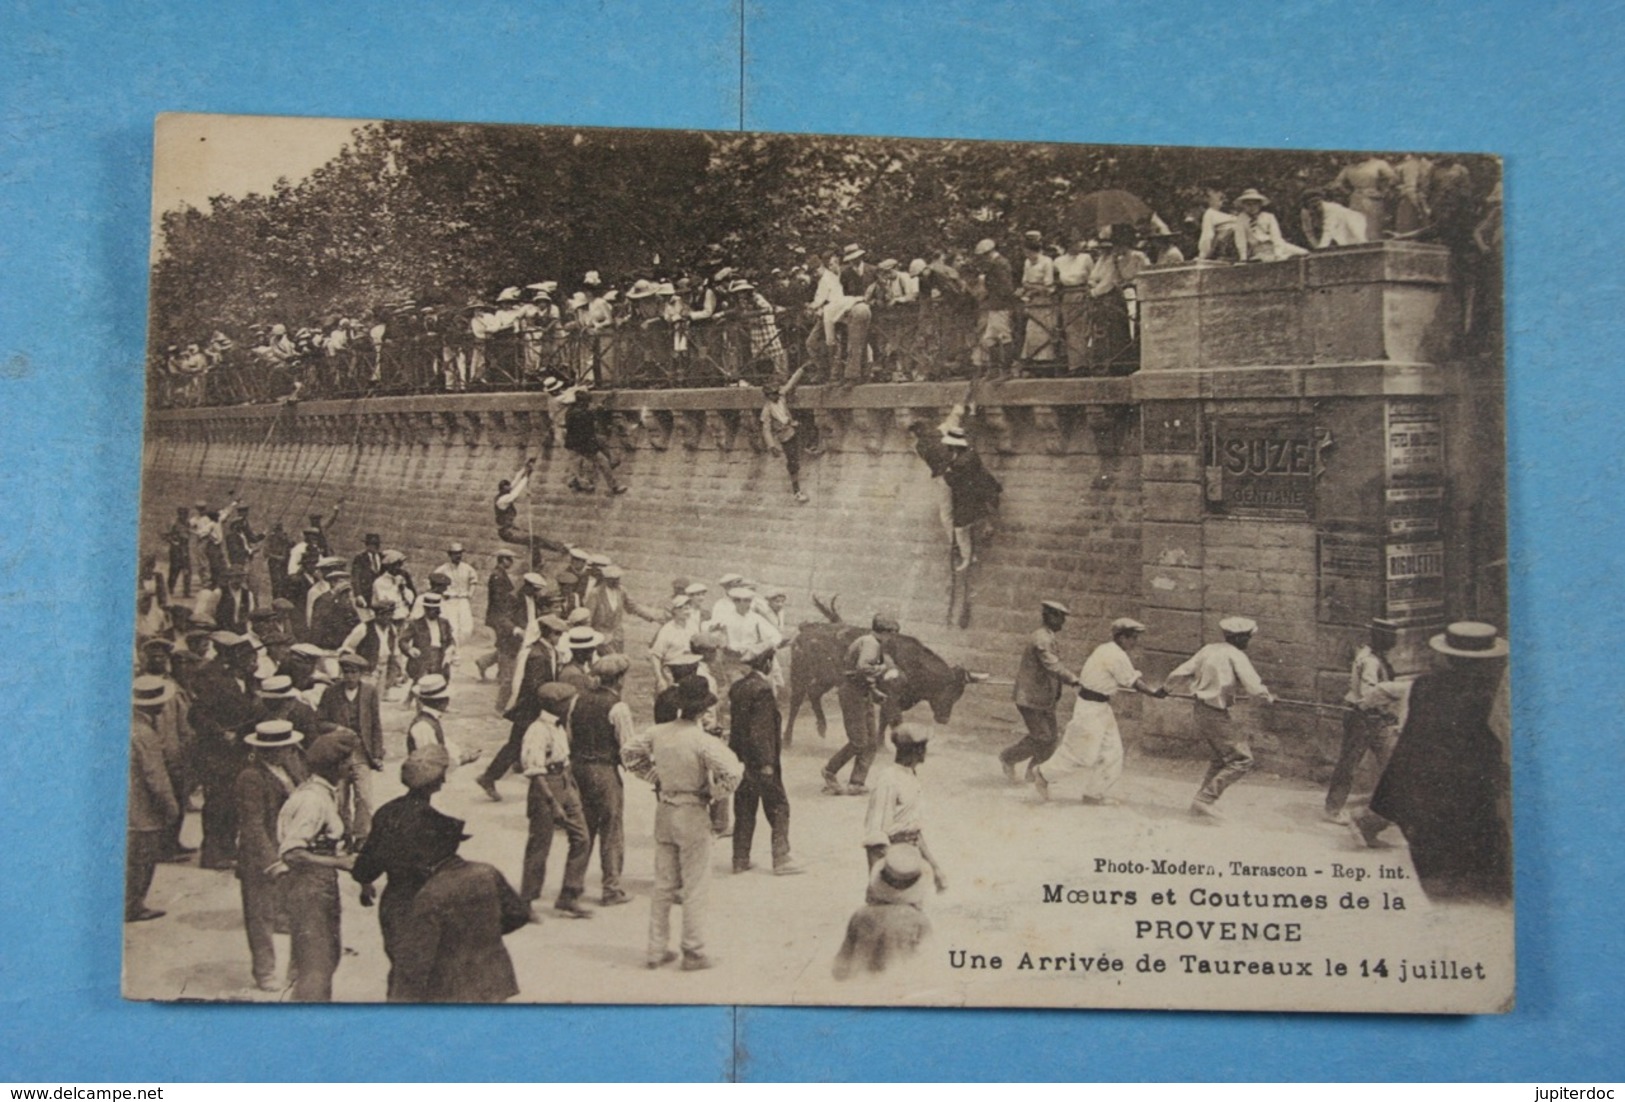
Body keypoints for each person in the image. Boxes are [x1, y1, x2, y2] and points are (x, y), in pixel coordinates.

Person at [1364, 622, 1512, 904]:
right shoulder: (1495, 695)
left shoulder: (1426, 688)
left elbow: (1408, 752)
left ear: (1448, 656)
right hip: (1480, 809)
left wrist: (1385, 807)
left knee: (1442, 892)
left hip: (1431, 812)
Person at [621, 675, 744, 971]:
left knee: (663, 884)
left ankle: (655, 948)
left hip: (664, 808)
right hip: (692, 810)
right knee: (695, 885)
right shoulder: (703, 741)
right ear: (703, 711)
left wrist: (655, 777)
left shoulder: (658, 732)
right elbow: (734, 772)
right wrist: (714, 793)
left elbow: (628, 753)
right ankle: (693, 950)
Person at [351, 745, 462, 997]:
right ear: (436, 783)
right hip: (426, 907)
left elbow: (366, 867)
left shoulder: (386, 812)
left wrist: (365, 883)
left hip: (394, 904)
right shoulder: (439, 824)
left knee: (401, 972)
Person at [388, 813, 530, 1003]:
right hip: (495, 981)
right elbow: (519, 914)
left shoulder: (430, 895)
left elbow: (415, 964)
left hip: (451, 993)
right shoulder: (487, 872)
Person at [1034, 618, 1166, 803]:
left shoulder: (1106, 649)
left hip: (1101, 707)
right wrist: (1153, 693)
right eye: (1132, 638)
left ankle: (1093, 794)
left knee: (1113, 753)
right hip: (1090, 708)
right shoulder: (1114, 654)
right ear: (1121, 637)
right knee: (1082, 754)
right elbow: (1132, 681)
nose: (1135, 642)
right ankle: (1043, 773)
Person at [1165, 616, 1277, 820]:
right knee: (1242, 759)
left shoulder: (1209, 649)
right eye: (1247, 638)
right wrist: (1267, 697)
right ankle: (1205, 800)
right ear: (1239, 638)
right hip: (1214, 713)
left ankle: (1201, 803)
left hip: (1201, 709)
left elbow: (1180, 671)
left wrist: (1165, 689)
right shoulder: (1236, 656)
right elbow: (1253, 687)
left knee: (1221, 759)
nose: (1248, 643)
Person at [274, 732, 357, 1001]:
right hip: (309, 888)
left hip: (316, 884)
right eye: (347, 762)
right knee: (317, 965)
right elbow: (292, 852)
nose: (352, 766)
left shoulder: (322, 792)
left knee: (316, 960)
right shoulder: (313, 801)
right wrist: (340, 862)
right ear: (335, 767)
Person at [234, 719, 307, 991]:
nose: (286, 752)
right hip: (262, 857)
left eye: (287, 747)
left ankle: (295, 969)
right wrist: (271, 861)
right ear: (265, 750)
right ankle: (264, 972)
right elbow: (252, 826)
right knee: (260, 916)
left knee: (293, 913)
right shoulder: (251, 778)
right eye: (280, 748)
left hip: (290, 849)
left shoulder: (290, 768)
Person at [519, 682, 594, 918]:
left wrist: (571, 788)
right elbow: (534, 770)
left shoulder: (560, 726)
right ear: (556, 705)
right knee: (540, 846)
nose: (572, 706)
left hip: (564, 780)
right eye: (568, 702)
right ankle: (526, 902)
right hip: (545, 787)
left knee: (582, 838)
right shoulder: (537, 731)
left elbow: (565, 758)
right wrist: (553, 803)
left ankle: (569, 895)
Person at [479, 612, 568, 802]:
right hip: (531, 709)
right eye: (557, 634)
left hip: (533, 708)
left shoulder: (546, 651)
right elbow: (536, 686)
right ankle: (489, 777)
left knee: (520, 744)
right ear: (548, 633)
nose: (559, 638)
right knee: (517, 745)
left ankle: (493, 776)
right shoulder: (538, 655)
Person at [728, 646, 802, 875]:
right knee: (779, 806)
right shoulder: (762, 690)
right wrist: (767, 762)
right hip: (761, 761)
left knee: (744, 807)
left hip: (741, 760)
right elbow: (760, 731)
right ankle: (781, 859)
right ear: (768, 664)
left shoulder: (738, 687)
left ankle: (740, 859)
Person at [571, 655, 638, 906]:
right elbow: (628, 748)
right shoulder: (617, 707)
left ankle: (573, 885)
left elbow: (570, 734)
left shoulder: (578, 699)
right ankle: (611, 888)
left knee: (583, 829)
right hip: (603, 769)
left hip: (579, 768)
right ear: (620, 679)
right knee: (611, 828)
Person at [1324, 619, 1406, 824]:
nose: (1393, 641)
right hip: (1363, 718)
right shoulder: (1371, 661)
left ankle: (1391, 810)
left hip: (1378, 719)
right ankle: (1333, 809)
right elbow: (1369, 694)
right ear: (1381, 638)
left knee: (1391, 763)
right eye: (1390, 637)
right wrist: (1395, 693)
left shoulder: (1375, 656)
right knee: (1349, 763)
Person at [1000, 600, 1081, 781]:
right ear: (1050, 616)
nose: (1063, 623)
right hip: (1030, 698)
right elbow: (1052, 665)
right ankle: (1008, 757)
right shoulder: (1041, 638)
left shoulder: (1048, 636)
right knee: (1043, 737)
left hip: (1044, 699)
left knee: (1051, 740)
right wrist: (1073, 679)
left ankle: (1033, 773)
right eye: (1060, 618)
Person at [861, 724, 947, 890]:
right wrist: (878, 885)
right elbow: (875, 838)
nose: (925, 751)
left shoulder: (910, 777)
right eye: (924, 747)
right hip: (893, 863)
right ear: (917, 751)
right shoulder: (889, 780)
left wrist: (935, 868)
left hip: (909, 860)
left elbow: (912, 831)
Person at [823, 614, 900, 796]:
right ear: (885, 632)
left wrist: (874, 691)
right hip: (852, 694)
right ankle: (830, 770)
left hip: (863, 692)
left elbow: (864, 675)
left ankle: (857, 782)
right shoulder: (871, 643)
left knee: (871, 742)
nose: (893, 638)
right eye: (892, 634)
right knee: (859, 742)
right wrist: (884, 668)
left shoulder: (870, 641)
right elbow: (862, 667)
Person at [831, 843, 933, 980]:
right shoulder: (919, 921)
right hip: (899, 988)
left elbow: (839, 968)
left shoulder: (860, 915)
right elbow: (927, 966)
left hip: (860, 988)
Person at [129, 676, 182, 923]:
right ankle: (134, 905)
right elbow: (155, 777)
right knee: (142, 860)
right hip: (143, 810)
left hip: (129, 807)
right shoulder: (145, 734)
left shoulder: (128, 727)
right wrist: (171, 807)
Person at [317, 652, 385, 837]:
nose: (349, 676)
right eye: (346, 672)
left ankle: (361, 836)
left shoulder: (369, 692)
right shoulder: (330, 692)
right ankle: (344, 834)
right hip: (338, 755)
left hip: (362, 753)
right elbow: (320, 721)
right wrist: (337, 728)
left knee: (364, 797)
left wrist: (378, 754)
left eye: (353, 672)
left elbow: (375, 725)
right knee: (340, 798)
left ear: (361, 673)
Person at [940, 427, 1002, 571]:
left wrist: (947, 472)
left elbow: (952, 480)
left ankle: (967, 557)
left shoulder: (960, 462)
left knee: (960, 528)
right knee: (979, 513)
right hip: (981, 488)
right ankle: (987, 526)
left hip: (969, 495)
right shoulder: (971, 452)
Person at [760, 364, 811, 503]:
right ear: (768, 396)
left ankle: (809, 446)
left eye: (777, 392)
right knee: (792, 463)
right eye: (773, 394)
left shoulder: (781, 397)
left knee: (806, 427)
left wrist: (801, 369)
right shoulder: (767, 410)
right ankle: (797, 491)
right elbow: (766, 429)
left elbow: (790, 383)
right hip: (784, 436)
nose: (776, 395)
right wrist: (771, 446)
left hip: (792, 428)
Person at [584, 564, 663, 654]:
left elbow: (633, 607)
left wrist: (652, 617)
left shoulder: (621, 591)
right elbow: (588, 617)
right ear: (606, 579)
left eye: (618, 579)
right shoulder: (595, 594)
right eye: (613, 579)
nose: (617, 582)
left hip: (617, 637)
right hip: (600, 636)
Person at [561, 388, 626, 495]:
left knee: (576, 465)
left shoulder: (570, 412)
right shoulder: (584, 414)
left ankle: (577, 482)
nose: (589, 404)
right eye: (587, 402)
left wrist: (606, 398)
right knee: (603, 462)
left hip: (572, 444)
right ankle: (614, 487)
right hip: (584, 445)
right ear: (582, 402)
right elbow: (590, 429)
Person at [970, 238, 1017, 378]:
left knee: (1004, 336)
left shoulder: (1000, 264)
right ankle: (995, 369)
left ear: (989, 253)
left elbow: (1006, 287)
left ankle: (1006, 370)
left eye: (984, 255)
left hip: (1001, 306)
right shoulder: (995, 264)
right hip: (994, 305)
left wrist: (993, 294)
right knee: (990, 338)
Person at [474, 549, 517, 693]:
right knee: (505, 645)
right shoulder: (497, 576)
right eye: (510, 559)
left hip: (501, 616)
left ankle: (485, 662)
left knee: (504, 645)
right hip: (500, 616)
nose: (512, 562)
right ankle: (499, 673)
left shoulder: (500, 574)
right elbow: (499, 599)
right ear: (503, 559)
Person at [1017, 230, 1059, 372]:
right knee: (1031, 332)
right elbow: (1024, 281)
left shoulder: (1046, 262)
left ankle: (1045, 365)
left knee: (1044, 331)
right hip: (1032, 301)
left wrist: (1034, 287)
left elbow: (1048, 285)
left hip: (1044, 301)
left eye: (1029, 252)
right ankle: (1033, 362)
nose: (1028, 256)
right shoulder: (1027, 262)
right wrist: (1029, 288)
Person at [1330, 154, 1397, 241]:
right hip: (1355, 199)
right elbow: (1337, 184)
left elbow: (1393, 178)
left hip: (1373, 198)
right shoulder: (1349, 168)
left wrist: (1384, 192)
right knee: (1357, 226)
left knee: (1373, 226)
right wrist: (1348, 193)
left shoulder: (1379, 163)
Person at [1055, 235, 1095, 374]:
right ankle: (1074, 365)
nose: (1078, 246)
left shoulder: (1085, 258)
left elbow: (1093, 277)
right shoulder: (1059, 261)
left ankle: (1086, 363)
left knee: (1084, 328)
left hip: (1082, 293)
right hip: (1067, 295)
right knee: (1070, 329)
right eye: (1075, 243)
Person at [1231, 190, 1307, 263]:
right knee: (1264, 260)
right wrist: (1243, 258)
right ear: (1243, 206)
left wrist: (1278, 253)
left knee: (1303, 253)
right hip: (1259, 249)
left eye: (1255, 204)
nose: (1252, 207)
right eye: (1248, 204)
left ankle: (1283, 257)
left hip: (1275, 245)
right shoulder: (1241, 219)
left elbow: (1276, 235)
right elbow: (1240, 239)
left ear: (1260, 204)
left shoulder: (1268, 216)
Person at [434, 542, 480, 647]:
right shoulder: (444, 568)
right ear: (450, 555)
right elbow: (433, 579)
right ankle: (453, 650)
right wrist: (442, 593)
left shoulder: (467, 568)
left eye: (459, 553)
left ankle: (460, 647)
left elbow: (474, 580)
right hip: (450, 600)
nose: (458, 556)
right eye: (455, 553)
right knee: (452, 625)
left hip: (463, 600)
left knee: (467, 628)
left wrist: (470, 593)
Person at [402, 593, 457, 681]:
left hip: (440, 658)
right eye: (432, 610)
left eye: (437, 609)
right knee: (420, 687)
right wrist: (410, 649)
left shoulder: (444, 623)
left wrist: (451, 648)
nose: (436, 612)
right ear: (426, 609)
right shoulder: (416, 624)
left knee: (439, 686)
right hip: (422, 660)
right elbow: (403, 640)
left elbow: (451, 639)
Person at [1299, 189, 1369, 250]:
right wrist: (1316, 247)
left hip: (1352, 221)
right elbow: (1308, 232)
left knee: (1357, 242)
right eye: (1311, 203)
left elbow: (1329, 229)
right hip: (1336, 227)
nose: (1315, 206)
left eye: (1317, 203)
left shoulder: (1330, 209)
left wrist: (1321, 248)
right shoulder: (1305, 212)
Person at [165, 506, 193, 598]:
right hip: (176, 551)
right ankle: (170, 588)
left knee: (188, 571)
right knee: (174, 570)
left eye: (186, 514)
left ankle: (186, 592)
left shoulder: (187, 523)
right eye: (182, 514)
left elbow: (188, 535)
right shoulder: (174, 524)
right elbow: (166, 536)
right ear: (179, 514)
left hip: (185, 549)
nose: (184, 516)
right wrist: (173, 542)